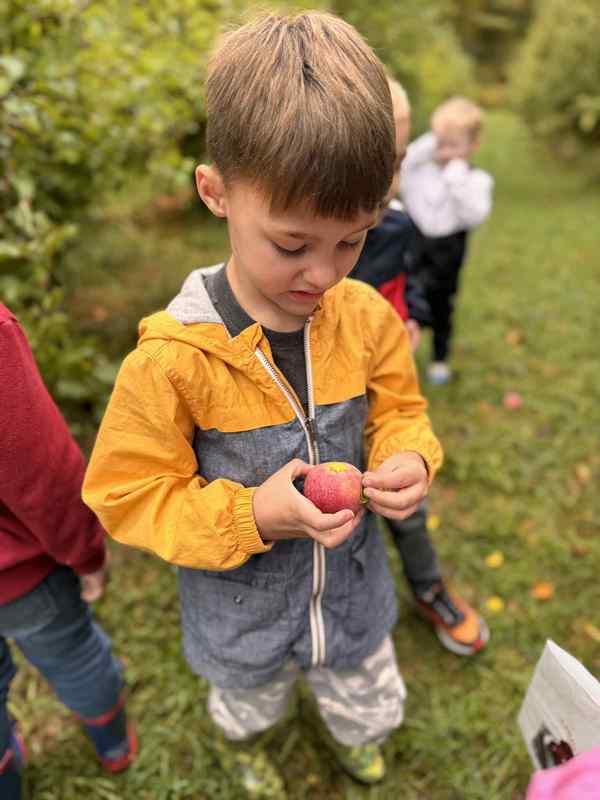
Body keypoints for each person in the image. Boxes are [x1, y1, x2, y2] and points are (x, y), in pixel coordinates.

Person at [83, 12, 443, 796]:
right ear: (216, 192)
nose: (324, 272)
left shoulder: (367, 319)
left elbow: (400, 411)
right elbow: (128, 493)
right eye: (291, 244)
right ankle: (247, 744)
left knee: (364, 695)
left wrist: (407, 456)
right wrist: (253, 516)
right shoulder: (174, 361)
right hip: (239, 615)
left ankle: (361, 736)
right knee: (249, 699)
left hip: (349, 597)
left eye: (352, 239)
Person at [351, 81, 489, 657]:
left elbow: (414, 281)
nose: (391, 176)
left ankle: (427, 587)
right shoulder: (301, 240)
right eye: (379, 160)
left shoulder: (401, 226)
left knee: (403, 501)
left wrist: (414, 319)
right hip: (316, 403)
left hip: (382, 395)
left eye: (399, 160)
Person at [0, 304, 137, 800]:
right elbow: (38, 470)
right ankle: (114, 744)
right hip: (19, 577)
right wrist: (86, 552)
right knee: (74, 655)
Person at [400, 95, 494, 385]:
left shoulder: (475, 180)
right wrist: (434, 142)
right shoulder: (420, 168)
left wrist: (456, 175)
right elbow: (406, 159)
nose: (445, 151)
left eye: (454, 145)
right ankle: (400, 353)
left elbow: (475, 213)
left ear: (473, 145)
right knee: (405, 301)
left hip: (447, 250)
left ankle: (439, 358)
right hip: (412, 243)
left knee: (442, 305)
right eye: (441, 142)